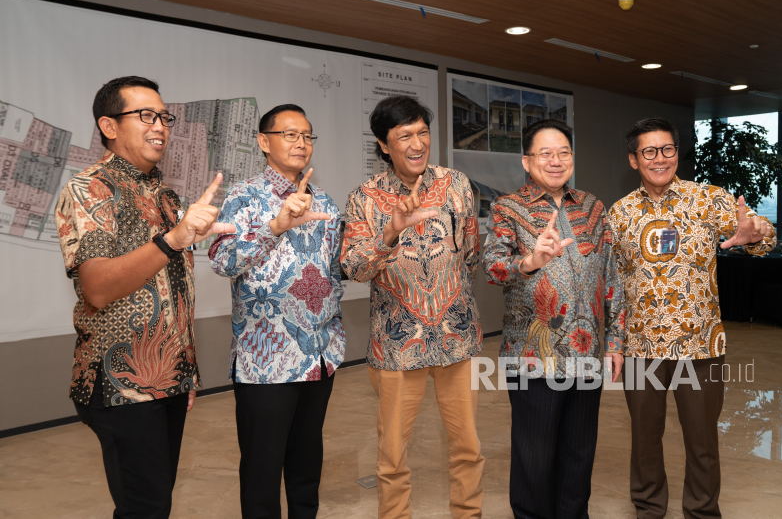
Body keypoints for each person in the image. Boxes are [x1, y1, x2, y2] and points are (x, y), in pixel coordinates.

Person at [54, 76, 234, 519]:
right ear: (109, 126)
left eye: (164, 117)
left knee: (153, 504)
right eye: (146, 116)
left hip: (167, 378)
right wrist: (174, 238)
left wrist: (185, 371)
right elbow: (97, 287)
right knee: (144, 507)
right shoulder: (90, 188)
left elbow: (175, 294)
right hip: (119, 383)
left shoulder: (165, 195)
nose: (160, 126)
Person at [608, 117, 775, 519]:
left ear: (677, 153)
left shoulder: (711, 199)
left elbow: (760, 232)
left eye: (667, 149)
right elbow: (612, 285)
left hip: (701, 345)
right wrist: (614, 342)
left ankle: (701, 511)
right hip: (640, 347)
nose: (660, 158)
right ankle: (648, 507)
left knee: (701, 439)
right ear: (634, 160)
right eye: (649, 151)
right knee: (645, 438)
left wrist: (755, 234)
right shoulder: (619, 213)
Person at [341, 95, 485, 519]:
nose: (417, 143)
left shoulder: (457, 184)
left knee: (468, 448)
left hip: (458, 339)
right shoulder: (364, 198)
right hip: (397, 345)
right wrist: (389, 234)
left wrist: (449, 299)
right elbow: (354, 268)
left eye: (422, 132)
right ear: (384, 145)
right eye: (405, 136)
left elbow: (471, 252)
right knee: (392, 456)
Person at [482, 119, 625, 519]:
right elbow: (492, 268)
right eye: (546, 153)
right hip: (532, 355)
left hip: (587, 353)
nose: (556, 161)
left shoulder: (594, 208)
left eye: (563, 152)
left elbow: (612, 278)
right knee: (535, 453)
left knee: (579, 452)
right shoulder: (508, 207)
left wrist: (614, 343)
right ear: (527, 161)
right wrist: (530, 261)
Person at [209, 104, 344, 519]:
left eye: (307, 135)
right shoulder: (243, 196)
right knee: (263, 469)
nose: (301, 142)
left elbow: (339, 268)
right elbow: (222, 260)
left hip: (320, 353)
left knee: (307, 464)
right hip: (266, 357)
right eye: (290, 134)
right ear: (263, 142)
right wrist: (274, 227)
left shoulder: (323, 199)